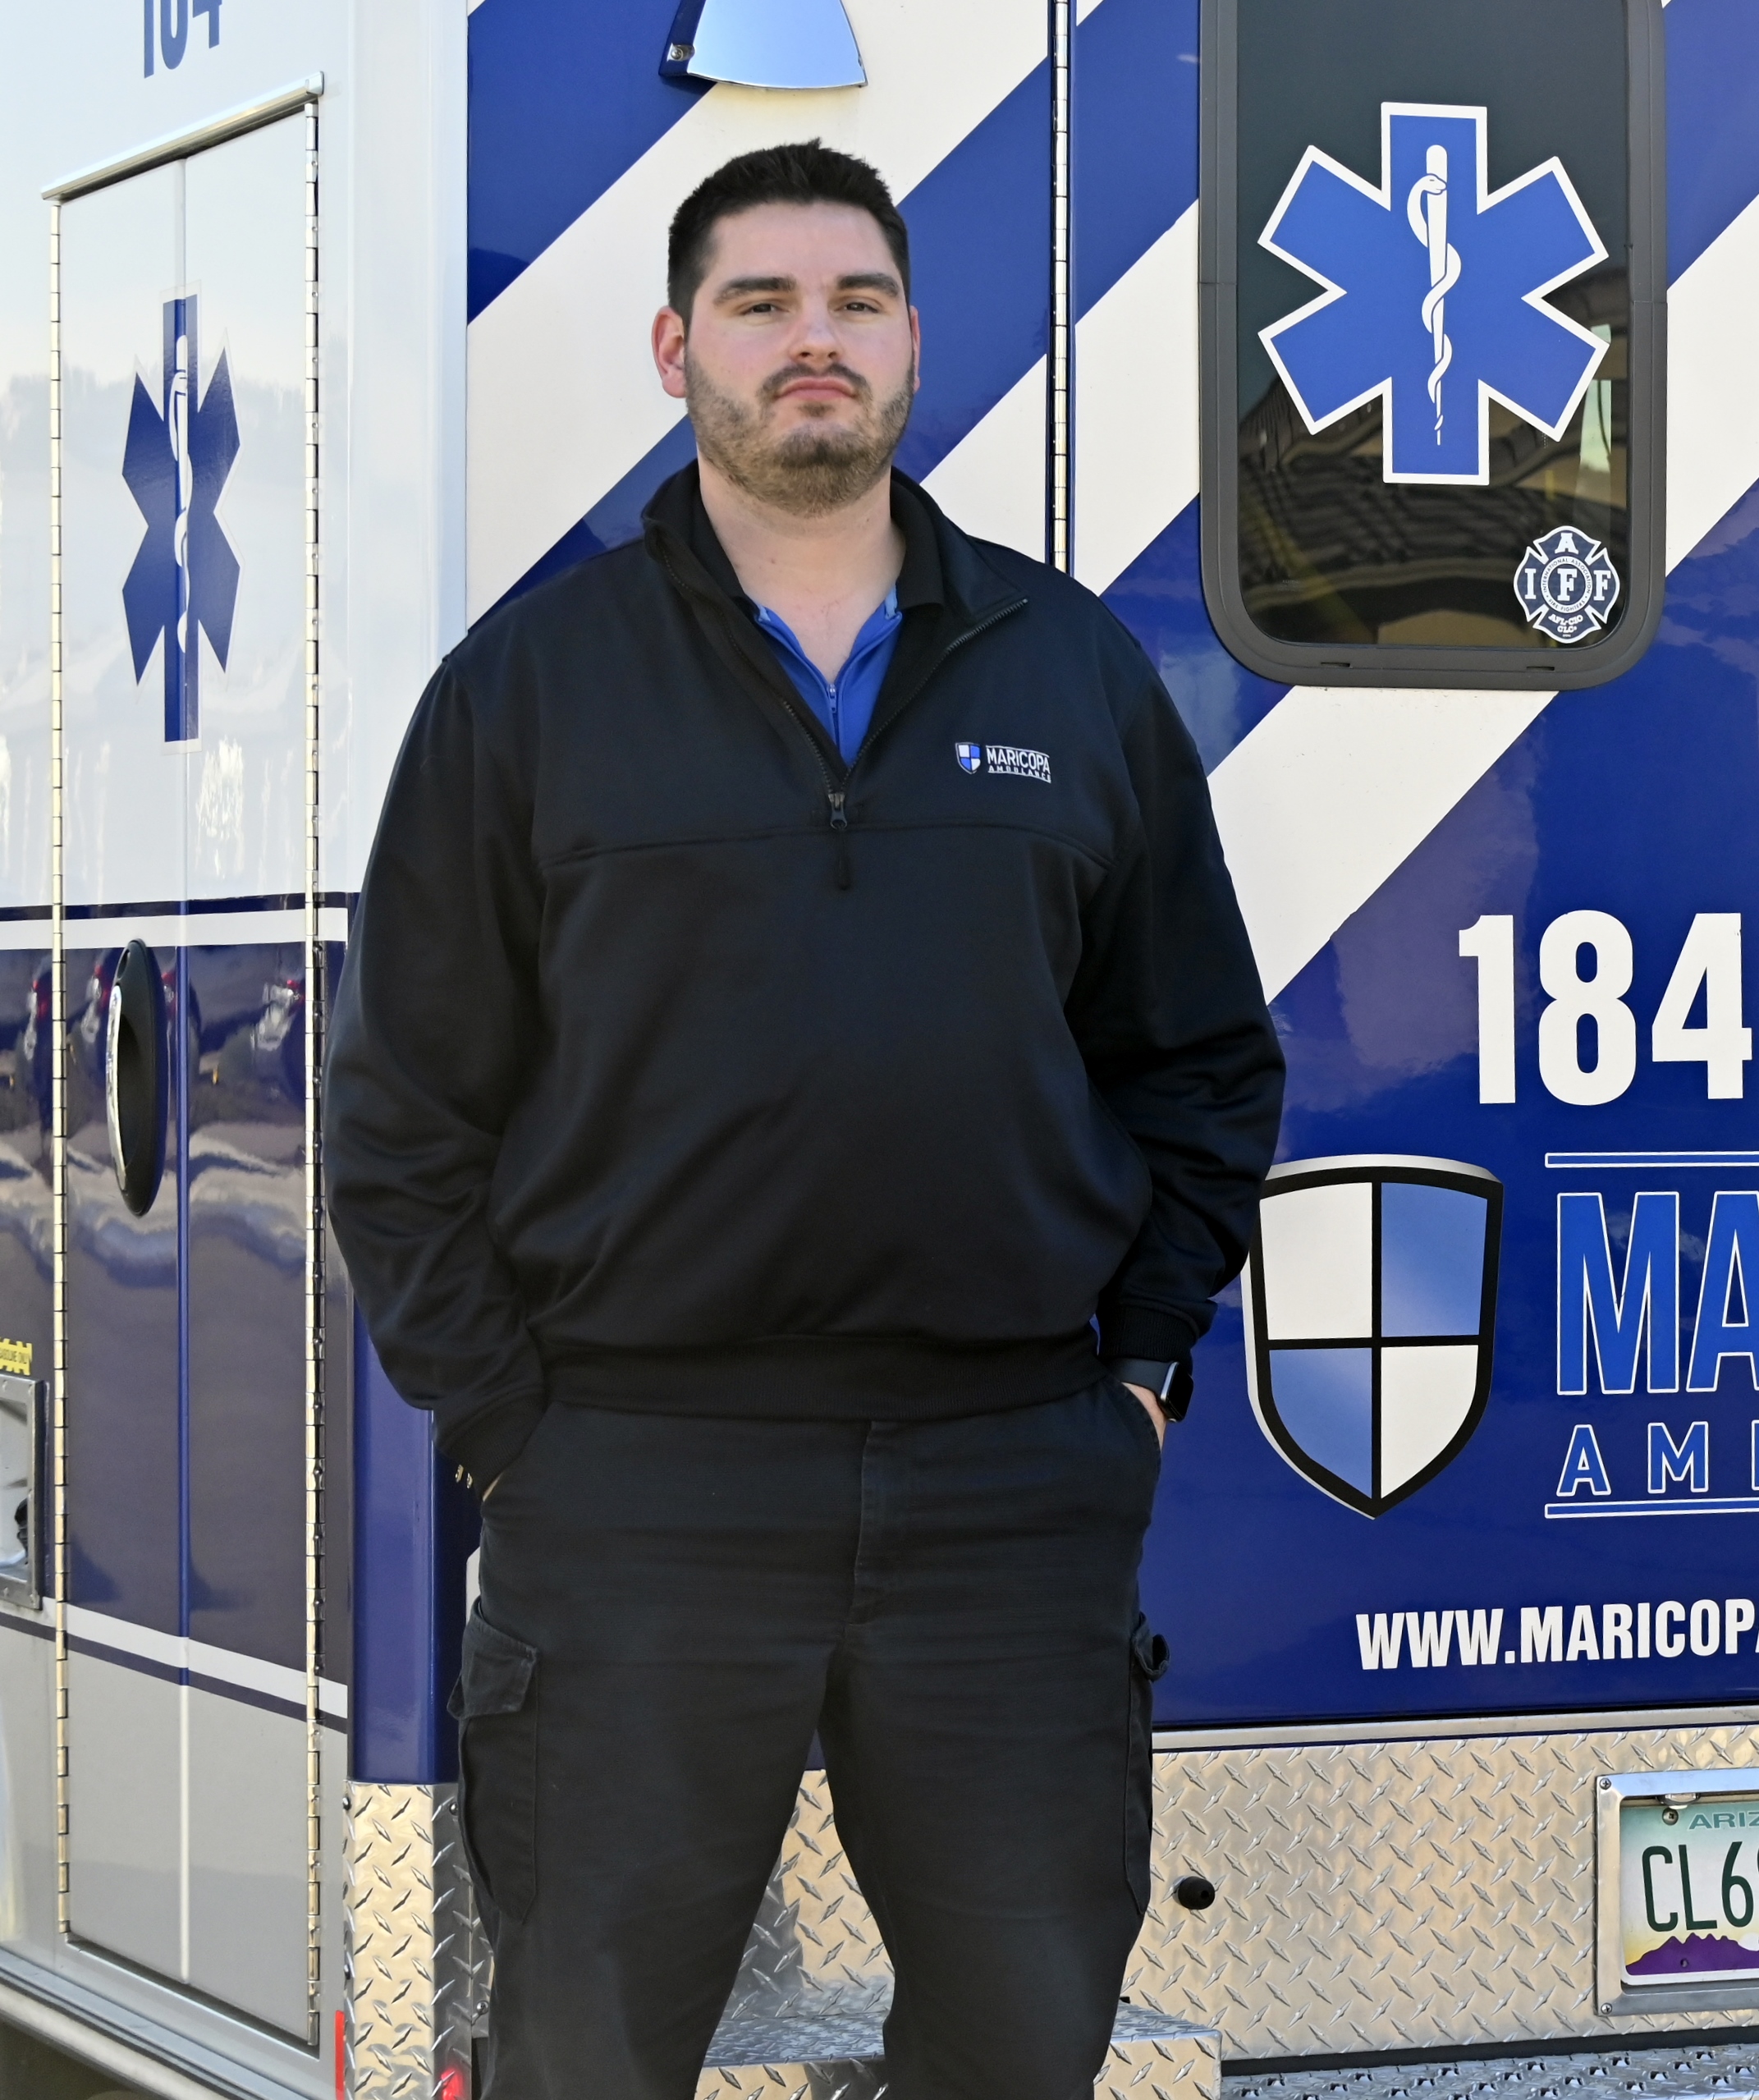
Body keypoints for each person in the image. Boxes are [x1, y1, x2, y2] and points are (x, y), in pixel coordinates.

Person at [323, 141, 1283, 2098]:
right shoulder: (531, 687)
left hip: (1008, 1483)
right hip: (642, 1483)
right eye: (759, 303)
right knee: (588, 2053)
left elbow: (1198, 1060)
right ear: (676, 348)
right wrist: (514, 1430)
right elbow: (404, 1113)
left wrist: (1133, 1370)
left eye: (854, 301)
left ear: (915, 341)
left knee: (1020, 2044)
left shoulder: (1068, 671)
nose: (811, 340)